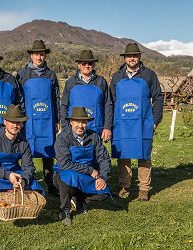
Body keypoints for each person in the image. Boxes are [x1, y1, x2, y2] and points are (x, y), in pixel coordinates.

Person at [110, 43, 163, 202]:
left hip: (143, 122)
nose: (132, 58)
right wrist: (112, 123)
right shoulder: (117, 76)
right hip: (122, 123)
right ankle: (124, 186)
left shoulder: (149, 75)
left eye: (135, 55)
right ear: (125, 58)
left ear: (139, 57)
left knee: (144, 155)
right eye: (129, 56)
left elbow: (158, 97)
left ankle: (143, 189)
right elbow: (111, 101)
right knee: (123, 155)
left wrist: (155, 120)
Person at [0, 104, 44, 227]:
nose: (15, 125)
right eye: (12, 122)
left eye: (19, 122)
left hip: (16, 173)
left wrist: (24, 180)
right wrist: (7, 175)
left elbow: (29, 166)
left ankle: (18, 204)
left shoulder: (24, 142)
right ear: (5, 121)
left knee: (37, 189)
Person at [53, 107, 111, 226]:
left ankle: (81, 199)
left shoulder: (94, 136)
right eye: (77, 122)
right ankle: (65, 210)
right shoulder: (62, 138)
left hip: (86, 176)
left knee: (103, 193)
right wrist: (89, 170)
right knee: (67, 179)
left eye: (83, 122)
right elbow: (65, 164)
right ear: (71, 122)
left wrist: (103, 177)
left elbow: (104, 157)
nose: (80, 125)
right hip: (64, 173)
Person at [16, 40, 60, 196]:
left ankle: (51, 184)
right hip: (28, 121)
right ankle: (28, 182)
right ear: (31, 55)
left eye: (41, 54)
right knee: (27, 151)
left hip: (48, 120)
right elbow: (18, 98)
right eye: (36, 54)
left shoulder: (51, 74)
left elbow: (56, 99)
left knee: (48, 153)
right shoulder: (22, 74)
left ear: (45, 55)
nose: (39, 57)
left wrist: (57, 120)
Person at [60, 49, 113, 142]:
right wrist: (65, 126)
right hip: (74, 130)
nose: (86, 66)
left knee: (96, 155)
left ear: (93, 64)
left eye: (90, 63)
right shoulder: (70, 82)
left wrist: (107, 127)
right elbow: (64, 105)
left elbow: (108, 105)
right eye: (83, 63)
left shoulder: (101, 82)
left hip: (96, 129)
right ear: (79, 65)